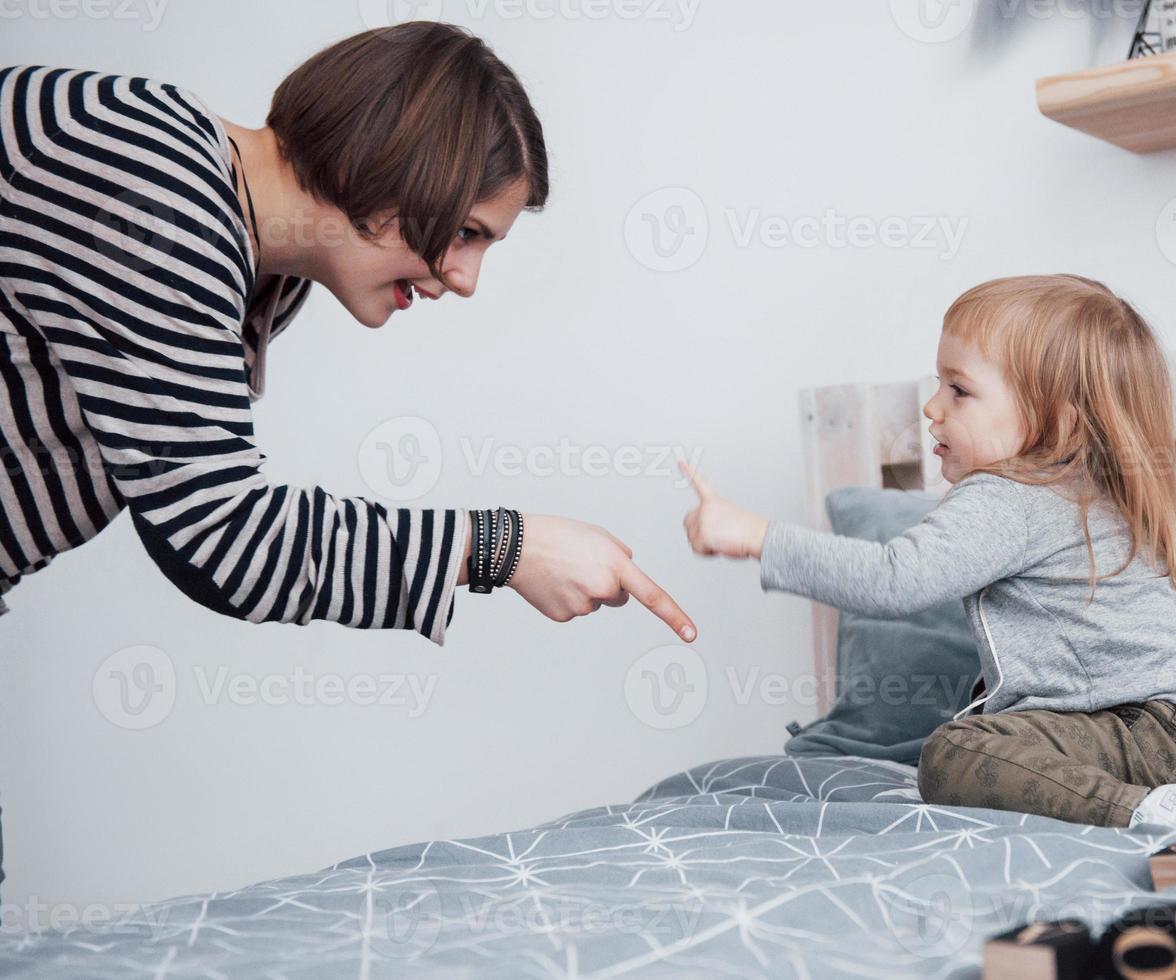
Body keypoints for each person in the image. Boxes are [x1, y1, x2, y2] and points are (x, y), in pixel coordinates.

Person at [0, 23, 696, 900]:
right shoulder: (154, 179)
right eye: (469, 233)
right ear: (397, 166)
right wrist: (503, 546)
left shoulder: (260, 268)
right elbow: (223, 537)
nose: (466, 280)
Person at [680, 274, 1176, 836]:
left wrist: (758, 536)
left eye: (959, 389)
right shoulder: (1088, 492)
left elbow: (894, 579)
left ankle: (1146, 814)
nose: (932, 407)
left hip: (1152, 740)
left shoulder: (1014, 495)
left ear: (1057, 419)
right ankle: (1166, 801)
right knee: (979, 727)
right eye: (938, 384)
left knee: (955, 751)